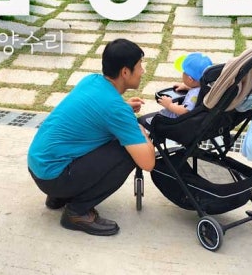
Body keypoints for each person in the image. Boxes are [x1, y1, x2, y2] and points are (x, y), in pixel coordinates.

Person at [27, 38, 155, 236]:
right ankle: (77, 212)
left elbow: (92, 111)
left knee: (109, 136)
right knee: (128, 153)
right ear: (125, 72)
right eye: (139, 66)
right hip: (54, 177)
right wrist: (138, 128)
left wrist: (124, 109)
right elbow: (147, 163)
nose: (143, 71)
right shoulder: (115, 110)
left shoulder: (91, 81)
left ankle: (58, 198)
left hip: (38, 167)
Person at [156, 52, 212, 118]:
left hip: (176, 120)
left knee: (156, 117)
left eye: (184, 72)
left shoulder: (194, 95)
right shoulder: (206, 87)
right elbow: (198, 89)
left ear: (190, 79)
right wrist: (187, 87)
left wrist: (169, 105)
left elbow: (185, 111)